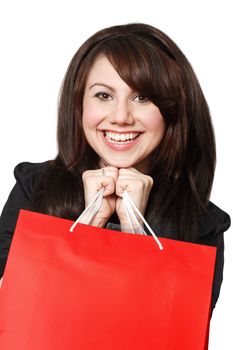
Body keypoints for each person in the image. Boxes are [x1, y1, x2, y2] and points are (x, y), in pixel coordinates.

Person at [0, 23, 230, 313]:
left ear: (173, 109)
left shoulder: (202, 224)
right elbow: (10, 313)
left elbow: (178, 333)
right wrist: (88, 227)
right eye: (103, 96)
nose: (121, 116)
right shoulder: (34, 188)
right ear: (79, 104)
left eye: (142, 97)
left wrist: (136, 233)